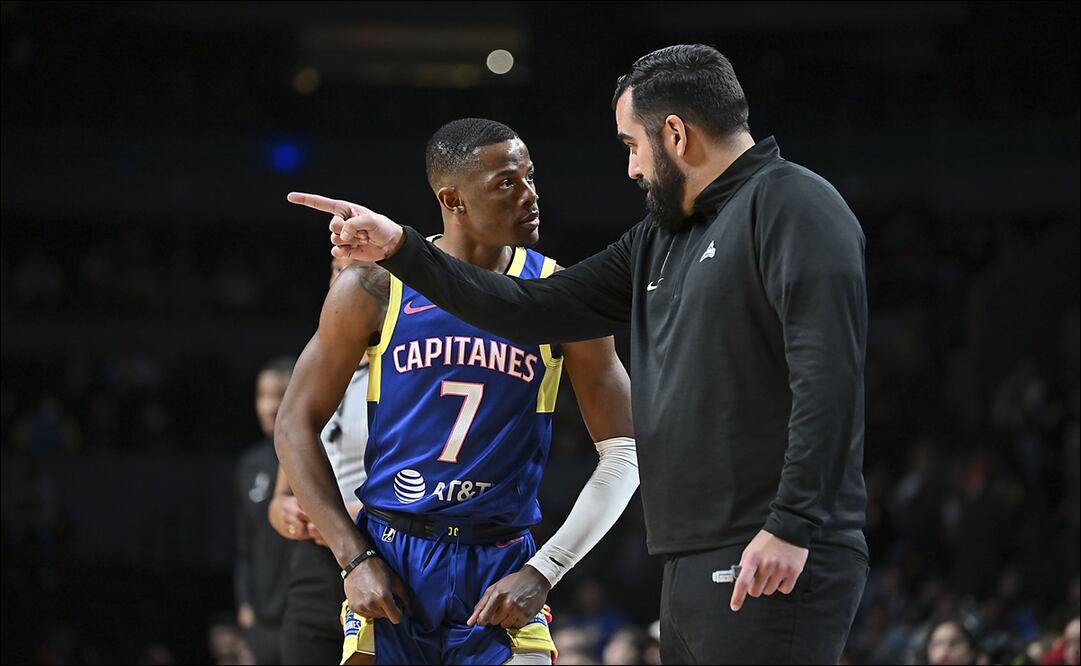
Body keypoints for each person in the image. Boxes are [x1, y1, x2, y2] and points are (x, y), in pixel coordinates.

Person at [294, 44, 869, 664]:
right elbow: (528, 308)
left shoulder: (792, 203)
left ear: (673, 133)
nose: (630, 169)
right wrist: (403, 248)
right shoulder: (663, 237)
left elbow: (829, 380)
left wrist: (790, 523)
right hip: (689, 554)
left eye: (631, 145)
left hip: (764, 545)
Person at [276, 118, 638, 665]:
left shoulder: (562, 293)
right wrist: (353, 558)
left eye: (532, 178)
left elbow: (625, 453)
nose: (531, 196)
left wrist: (546, 569)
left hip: (501, 561)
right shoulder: (373, 286)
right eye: (507, 183)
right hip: (393, 552)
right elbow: (293, 422)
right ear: (453, 199)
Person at [268, 256, 370, 665]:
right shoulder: (313, 368)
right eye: (335, 273)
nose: (343, 282)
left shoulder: (404, 368)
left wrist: (352, 513)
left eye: (358, 272)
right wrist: (285, 512)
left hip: (379, 550)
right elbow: (280, 495)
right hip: (312, 568)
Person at [235, 356, 296, 665]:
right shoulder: (249, 465)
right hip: (262, 619)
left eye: (280, 395)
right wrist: (245, 604)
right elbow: (245, 547)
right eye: (263, 395)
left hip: (304, 615)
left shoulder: (317, 459)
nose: (269, 406)